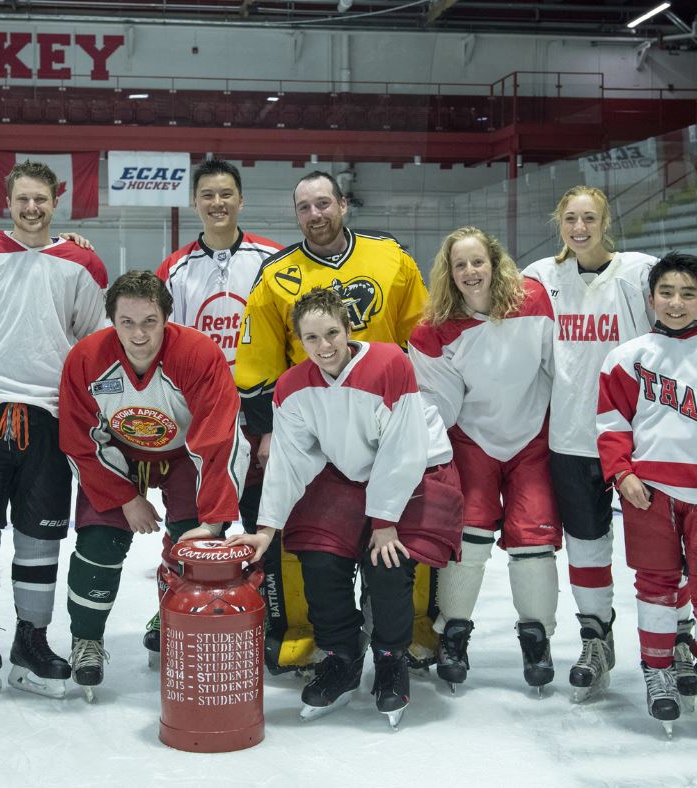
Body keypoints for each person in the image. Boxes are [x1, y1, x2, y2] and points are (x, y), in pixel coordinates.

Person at [227, 288, 462, 729]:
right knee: (318, 558)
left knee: (387, 564)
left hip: (416, 469)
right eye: (312, 338)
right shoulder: (292, 386)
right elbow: (290, 460)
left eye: (332, 332)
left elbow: (403, 448)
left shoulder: (390, 362)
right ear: (299, 341)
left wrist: (385, 521)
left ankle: (390, 659)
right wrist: (266, 528)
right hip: (349, 473)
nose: (325, 346)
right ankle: (341, 656)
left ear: (349, 328)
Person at [233, 170, 431, 674]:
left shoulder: (390, 256)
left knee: (408, 527)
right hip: (317, 427)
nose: (315, 214)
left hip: (388, 411)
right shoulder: (277, 273)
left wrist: (423, 406)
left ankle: (411, 628)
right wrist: (270, 427)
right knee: (313, 534)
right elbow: (258, 360)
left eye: (324, 203)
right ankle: (310, 629)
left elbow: (422, 334)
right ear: (296, 215)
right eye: (304, 207)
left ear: (342, 205)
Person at [0, 160, 108, 710]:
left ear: (56, 201)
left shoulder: (80, 261)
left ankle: (31, 641)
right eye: (22, 200)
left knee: (41, 536)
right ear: (7, 202)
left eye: (41, 200)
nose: (31, 209)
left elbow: (94, 341)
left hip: (50, 418)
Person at [58, 270, 249, 700]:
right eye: (127, 322)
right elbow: (79, 440)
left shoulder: (197, 354)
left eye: (149, 321)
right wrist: (126, 498)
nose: (139, 333)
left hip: (185, 453)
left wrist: (216, 520)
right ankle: (86, 639)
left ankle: (174, 615)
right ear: (111, 321)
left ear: (167, 317)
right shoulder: (86, 359)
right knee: (99, 543)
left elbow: (219, 436)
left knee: (194, 541)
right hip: (117, 457)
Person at [596, 252, 697, 739]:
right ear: (651, 298)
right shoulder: (627, 357)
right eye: (666, 293)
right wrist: (621, 474)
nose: (676, 302)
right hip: (650, 495)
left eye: (687, 294)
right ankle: (659, 673)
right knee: (655, 587)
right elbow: (611, 424)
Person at [521, 185, 660, 702]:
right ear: (560, 221)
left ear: (605, 221)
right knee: (585, 544)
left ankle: (681, 638)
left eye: (590, 218)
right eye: (571, 218)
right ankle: (595, 637)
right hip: (570, 438)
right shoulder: (540, 277)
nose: (580, 228)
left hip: (639, 440)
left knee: (663, 550)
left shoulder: (639, 272)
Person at [408, 227, 561, 693]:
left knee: (533, 537)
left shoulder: (535, 302)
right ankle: (453, 634)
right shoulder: (432, 329)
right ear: (448, 274)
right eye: (460, 265)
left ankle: (537, 639)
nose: (470, 272)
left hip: (532, 436)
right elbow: (437, 401)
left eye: (478, 262)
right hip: (471, 439)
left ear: (495, 263)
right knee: (469, 535)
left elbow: (560, 368)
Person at [148, 157, 279, 661]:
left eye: (226, 194)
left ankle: (266, 616)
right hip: (199, 412)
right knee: (194, 518)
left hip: (261, 411)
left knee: (261, 519)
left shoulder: (270, 260)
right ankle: (176, 608)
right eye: (208, 195)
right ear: (195, 202)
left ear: (240, 200)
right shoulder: (176, 269)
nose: (217, 203)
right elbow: (160, 342)